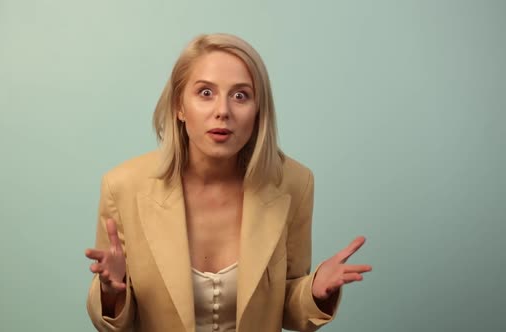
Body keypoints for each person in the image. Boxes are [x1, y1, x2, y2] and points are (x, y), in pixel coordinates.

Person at [84, 33, 371, 332]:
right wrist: (112, 291)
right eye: (205, 93)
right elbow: (116, 323)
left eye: (240, 95)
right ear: (179, 107)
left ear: (258, 111)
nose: (223, 111)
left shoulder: (294, 184)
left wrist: (313, 292)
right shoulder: (123, 187)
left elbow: (287, 306)